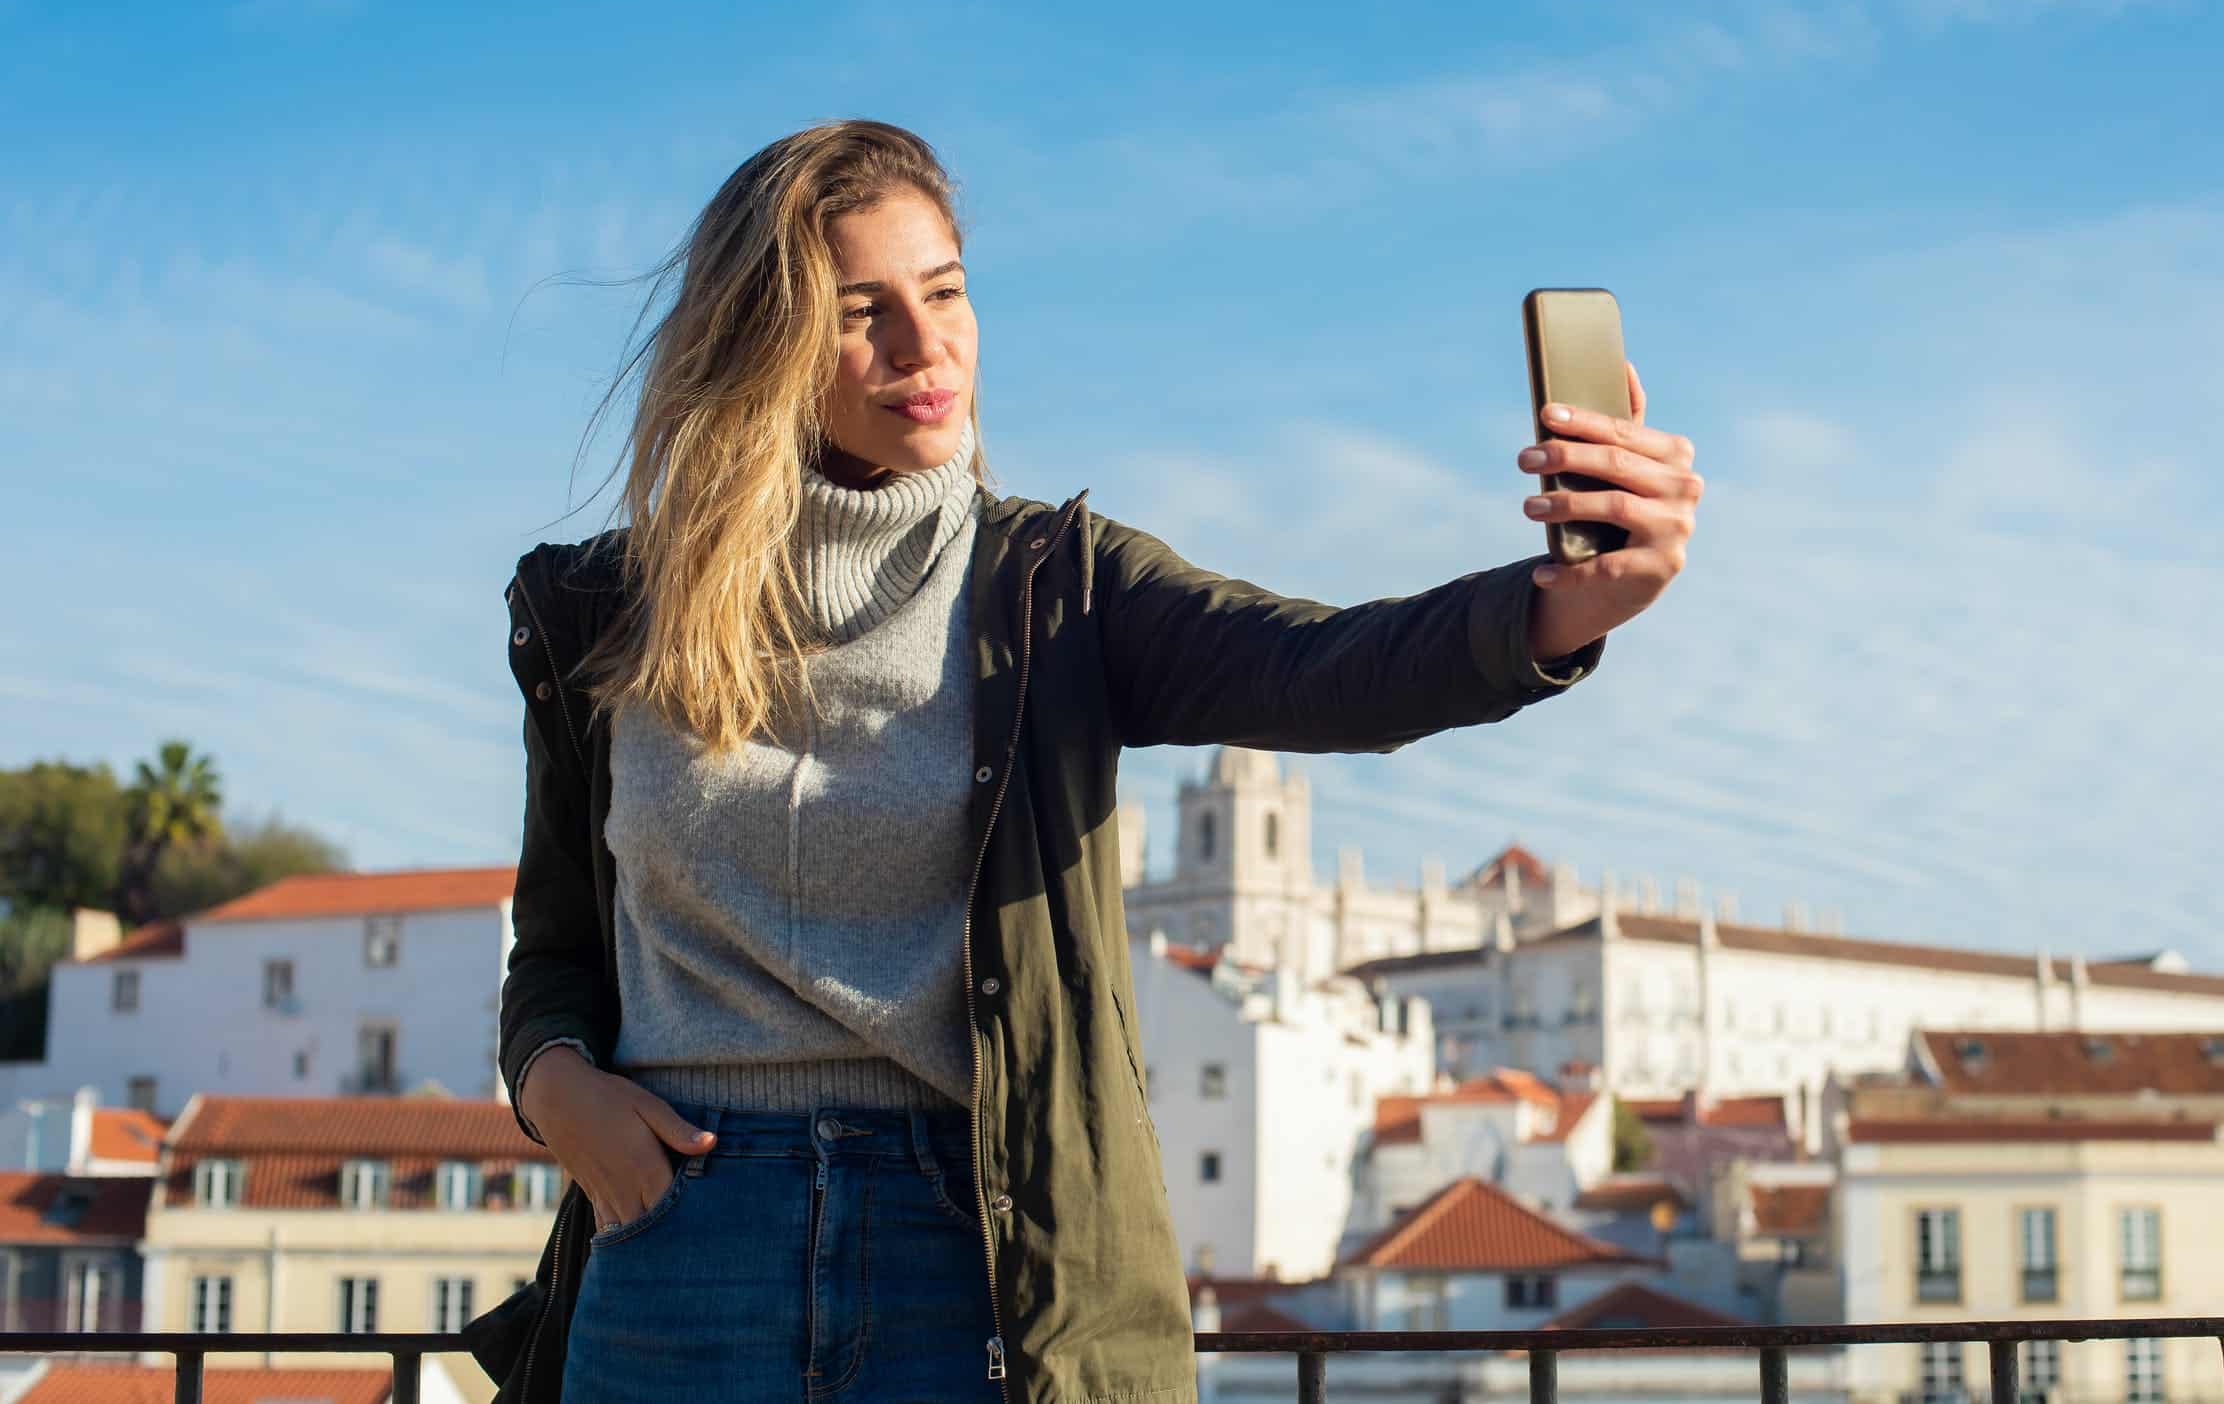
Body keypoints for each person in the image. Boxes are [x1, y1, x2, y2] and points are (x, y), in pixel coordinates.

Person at [489, 119, 1699, 1404]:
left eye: (945, 292)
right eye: (863, 313)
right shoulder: (600, 610)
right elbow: (556, 942)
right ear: (765, 340)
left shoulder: (1056, 592)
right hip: (680, 1235)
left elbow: (1325, 668)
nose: (926, 346)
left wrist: (1567, 607)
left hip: (968, 1247)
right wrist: (554, 1088)